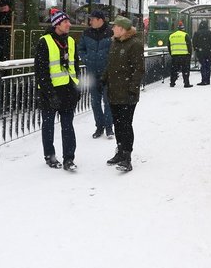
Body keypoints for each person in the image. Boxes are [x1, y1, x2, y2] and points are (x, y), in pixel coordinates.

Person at [34, 11, 80, 171]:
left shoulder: (71, 41)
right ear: (57, 24)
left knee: (68, 125)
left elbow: (75, 66)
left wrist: (77, 86)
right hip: (50, 92)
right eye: (65, 22)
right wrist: (50, 93)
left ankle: (69, 159)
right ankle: (50, 156)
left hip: (68, 90)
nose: (69, 24)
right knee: (48, 126)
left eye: (68, 21)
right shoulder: (44, 42)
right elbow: (41, 71)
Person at [103, 16, 144, 173]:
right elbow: (110, 65)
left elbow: (138, 69)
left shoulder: (135, 44)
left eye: (115, 27)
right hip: (114, 91)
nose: (112, 29)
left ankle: (127, 157)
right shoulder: (115, 43)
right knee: (118, 124)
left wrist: (132, 89)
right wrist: (104, 78)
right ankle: (120, 152)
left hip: (127, 94)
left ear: (122, 29)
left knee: (125, 125)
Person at [80, 9, 113, 139]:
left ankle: (109, 127)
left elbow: (115, 51)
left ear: (100, 20)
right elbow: (81, 49)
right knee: (95, 102)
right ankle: (99, 127)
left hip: (107, 73)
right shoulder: (86, 33)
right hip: (92, 73)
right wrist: (86, 59)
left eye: (92, 19)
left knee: (108, 101)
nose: (90, 21)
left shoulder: (111, 33)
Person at [167, 21, 193, 88]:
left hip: (175, 56)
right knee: (185, 70)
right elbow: (189, 46)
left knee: (174, 70)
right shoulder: (185, 35)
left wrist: (172, 54)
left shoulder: (171, 36)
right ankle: (186, 83)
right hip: (184, 56)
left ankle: (172, 82)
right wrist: (190, 54)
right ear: (183, 29)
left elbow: (169, 46)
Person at [192, 20, 211, 86]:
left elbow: (194, 42)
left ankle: (203, 80)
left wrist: (196, 49)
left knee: (203, 66)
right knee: (208, 66)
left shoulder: (197, 33)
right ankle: (208, 80)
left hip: (200, 52)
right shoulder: (210, 33)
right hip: (208, 52)